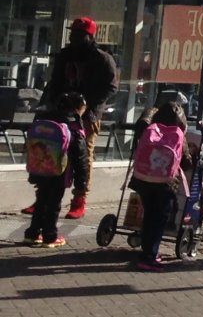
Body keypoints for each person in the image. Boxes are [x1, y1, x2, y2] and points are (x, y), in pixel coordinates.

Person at [43, 16, 117, 220]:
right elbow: (56, 80)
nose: (73, 37)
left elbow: (111, 86)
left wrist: (87, 105)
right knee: (52, 152)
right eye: (72, 33)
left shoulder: (102, 58)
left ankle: (79, 199)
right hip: (62, 112)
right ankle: (44, 197)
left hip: (87, 114)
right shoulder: (65, 56)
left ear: (89, 36)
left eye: (78, 34)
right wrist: (55, 101)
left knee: (83, 158)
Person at [128, 91, 190, 271]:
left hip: (143, 181)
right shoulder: (178, 134)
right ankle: (149, 256)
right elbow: (186, 162)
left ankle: (146, 251)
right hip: (165, 184)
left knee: (149, 216)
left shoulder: (150, 130)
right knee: (159, 220)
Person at [22, 92, 86, 247]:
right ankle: (50, 236)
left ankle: (32, 234)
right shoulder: (74, 127)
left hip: (41, 169)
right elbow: (80, 159)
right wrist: (81, 184)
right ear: (78, 108)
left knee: (41, 201)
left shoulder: (45, 121)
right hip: (60, 172)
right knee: (53, 204)